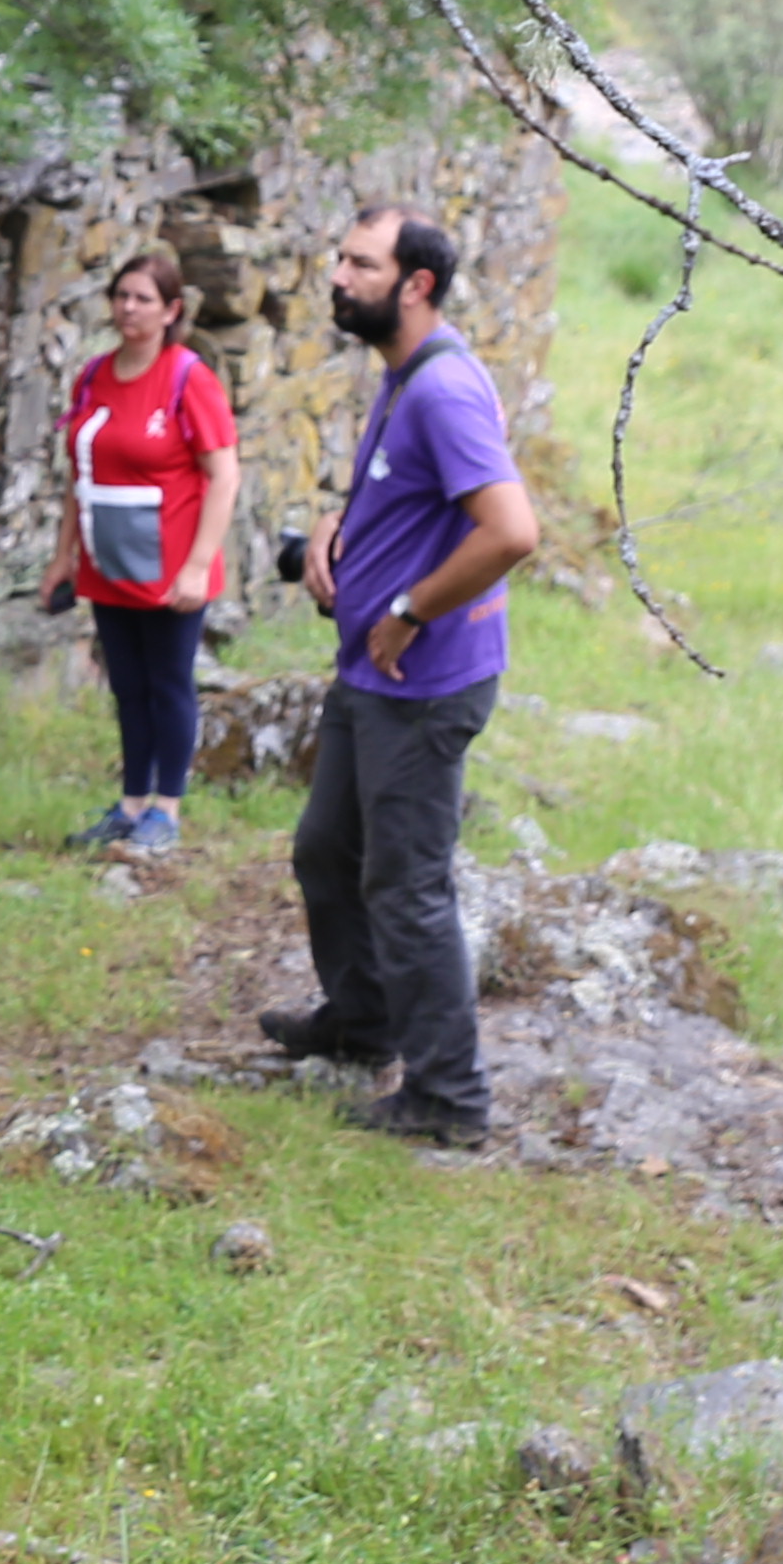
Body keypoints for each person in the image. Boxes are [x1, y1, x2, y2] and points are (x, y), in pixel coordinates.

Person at [259, 205, 538, 1149]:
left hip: (422, 682)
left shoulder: (442, 389)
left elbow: (512, 531)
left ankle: (449, 1096)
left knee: (407, 886)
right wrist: (337, 529)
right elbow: (409, 493)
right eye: (340, 259)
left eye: (361, 264)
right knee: (326, 850)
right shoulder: (407, 373)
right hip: (372, 677)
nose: (338, 278)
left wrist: (411, 609)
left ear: (416, 284)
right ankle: (362, 1021)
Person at [56, 245, 241, 855]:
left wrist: (197, 566)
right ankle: (130, 804)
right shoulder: (94, 376)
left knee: (169, 685)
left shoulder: (188, 378)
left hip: (171, 569)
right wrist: (63, 557)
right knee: (128, 687)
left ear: (171, 311)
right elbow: (77, 476)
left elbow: (224, 475)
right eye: (122, 295)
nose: (129, 308)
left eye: (143, 298)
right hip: (108, 563)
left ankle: (167, 809)